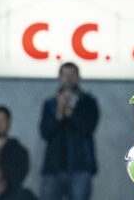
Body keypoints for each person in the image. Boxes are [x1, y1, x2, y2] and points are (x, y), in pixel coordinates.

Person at [39, 62, 99, 200]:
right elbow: (45, 133)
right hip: (53, 169)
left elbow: (88, 129)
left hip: (81, 167)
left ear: (78, 77)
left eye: (72, 75)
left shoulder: (88, 102)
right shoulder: (50, 104)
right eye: (65, 75)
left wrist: (70, 113)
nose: (68, 78)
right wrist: (59, 114)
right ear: (59, 77)